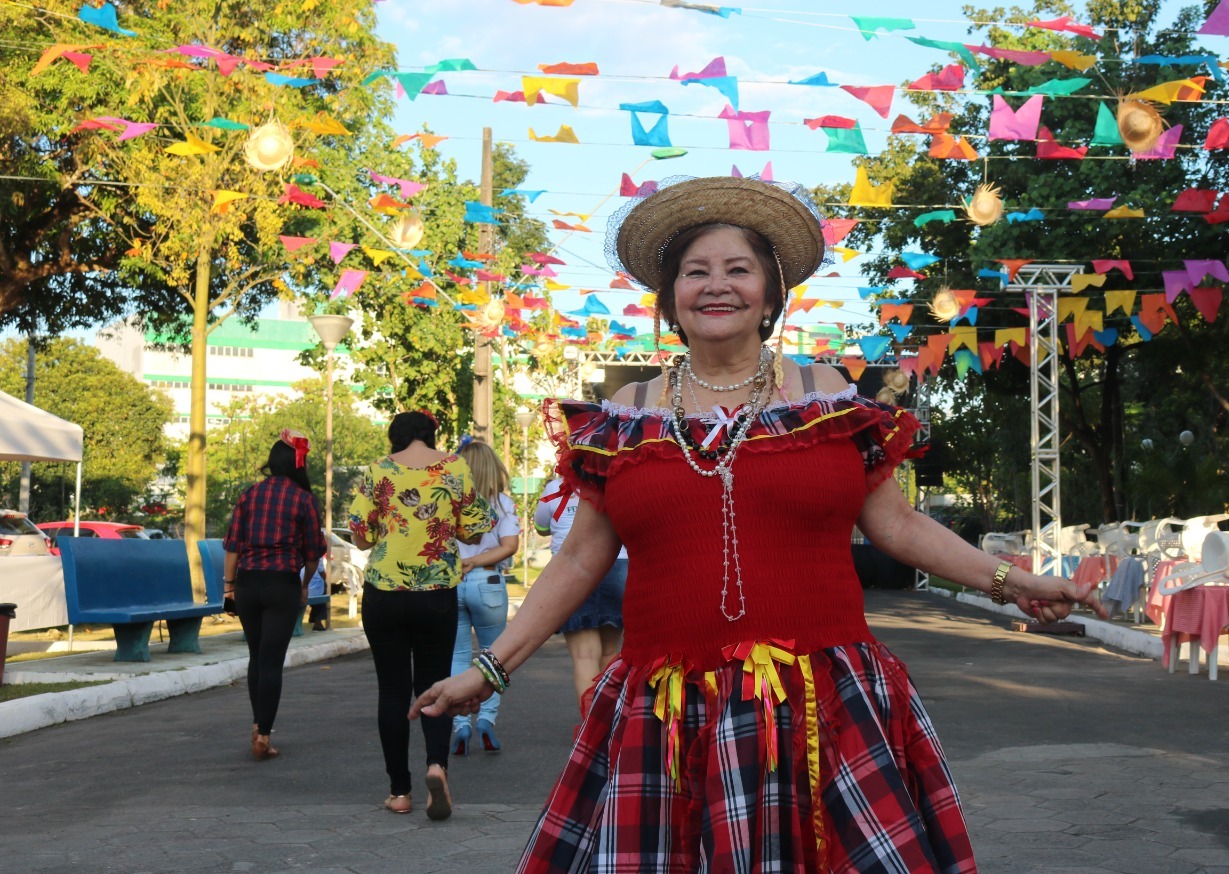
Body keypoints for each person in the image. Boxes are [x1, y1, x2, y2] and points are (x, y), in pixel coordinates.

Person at [410, 175, 1105, 872]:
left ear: (771, 294)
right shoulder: (626, 415)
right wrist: (489, 669)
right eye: (696, 272)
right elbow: (579, 561)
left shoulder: (827, 396)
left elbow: (898, 527)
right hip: (668, 716)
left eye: (738, 270)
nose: (717, 286)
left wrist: (1015, 580)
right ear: (670, 298)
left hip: (822, 707)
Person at [350, 411, 494, 820]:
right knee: (435, 685)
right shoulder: (454, 466)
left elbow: (360, 535)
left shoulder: (378, 470)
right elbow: (476, 530)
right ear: (431, 435)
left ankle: (399, 791)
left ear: (394, 436)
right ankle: (436, 767)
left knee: (392, 691)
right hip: (436, 593)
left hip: (384, 594)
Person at [222, 429, 327, 761]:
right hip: (281, 584)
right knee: (272, 661)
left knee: (256, 656)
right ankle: (264, 737)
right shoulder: (304, 499)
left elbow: (233, 547)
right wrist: (304, 584)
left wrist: (229, 588)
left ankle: (257, 727)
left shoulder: (249, 495)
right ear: (298, 465)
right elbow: (313, 554)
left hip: (248, 584)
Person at [450, 438, 523, 755]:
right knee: (495, 656)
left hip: (452, 584)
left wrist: (462, 563)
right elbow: (510, 546)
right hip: (489, 582)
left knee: (456, 656)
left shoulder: (447, 503)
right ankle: (486, 721)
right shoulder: (502, 503)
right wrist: (478, 561)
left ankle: (461, 725)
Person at [533, 471, 628, 712]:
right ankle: (612, 724)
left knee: (585, 656)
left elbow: (540, 526)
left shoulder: (556, 488)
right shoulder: (616, 483)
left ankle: (592, 729)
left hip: (573, 571)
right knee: (609, 653)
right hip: (617, 566)